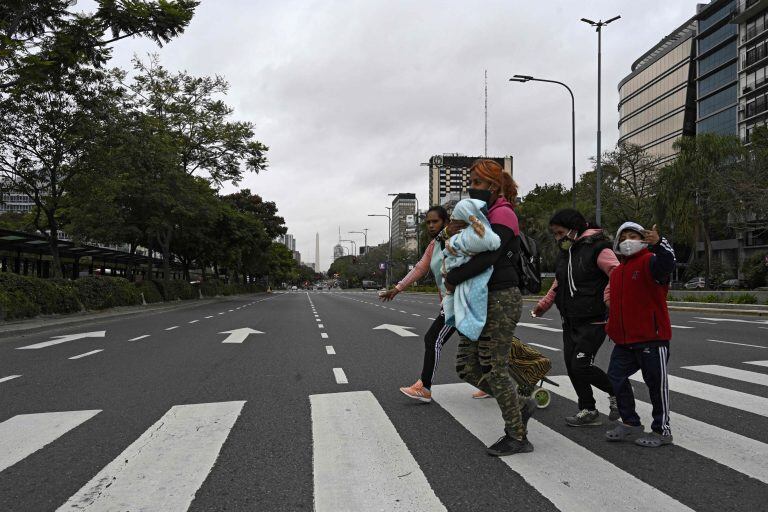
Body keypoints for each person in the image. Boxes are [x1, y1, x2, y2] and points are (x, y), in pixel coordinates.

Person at [445, 159, 535, 456]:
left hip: (500, 297)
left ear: (494, 187)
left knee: (496, 369)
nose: (472, 187)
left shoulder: (503, 214)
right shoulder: (481, 214)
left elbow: (490, 257)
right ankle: (520, 404)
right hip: (479, 297)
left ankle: (517, 436)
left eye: (479, 183)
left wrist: (455, 276)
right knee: (466, 366)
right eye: (471, 182)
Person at [532, 209, 620, 426]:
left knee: (581, 365)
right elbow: (559, 282)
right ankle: (588, 409)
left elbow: (618, 273)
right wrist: (544, 304)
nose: (557, 238)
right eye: (554, 233)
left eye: (559, 232)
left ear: (574, 229)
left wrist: (609, 298)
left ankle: (618, 392)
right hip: (570, 318)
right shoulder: (568, 251)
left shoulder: (598, 248)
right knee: (572, 366)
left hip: (594, 318)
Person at [604, 222, 675, 448]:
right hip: (624, 342)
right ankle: (630, 422)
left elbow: (667, 264)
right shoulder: (617, 273)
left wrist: (659, 243)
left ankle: (662, 430)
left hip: (651, 339)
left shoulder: (651, 262)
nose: (627, 240)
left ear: (643, 239)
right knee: (615, 377)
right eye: (623, 236)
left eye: (633, 235)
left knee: (656, 385)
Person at [381, 206, 457, 403]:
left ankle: (425, 387)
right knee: (482, 346)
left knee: (433, 339)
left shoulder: (457, 240)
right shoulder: (434, 245)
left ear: (446, 222)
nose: (431, 226)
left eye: (436, 222)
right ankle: (494, 384)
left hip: (460, 302)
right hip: (450, 302)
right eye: (428, 222)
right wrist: (397, 289)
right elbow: (420, 268)